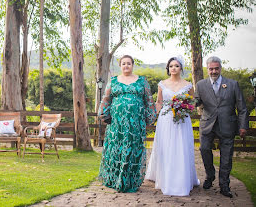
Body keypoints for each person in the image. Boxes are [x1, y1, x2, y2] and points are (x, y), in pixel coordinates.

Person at [98, 55, 157, 193]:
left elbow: (148, 99)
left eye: (128, 63)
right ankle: (114, 179)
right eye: (123, 63)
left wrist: (150, 117)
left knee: (133, 148)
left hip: (135, 122)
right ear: (120, 65)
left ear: (132, 65)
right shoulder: (113, 81)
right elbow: (106, 99)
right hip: (116, 123)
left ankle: (130, 181)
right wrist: (103, 114)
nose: (126, 66)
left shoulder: (142, 81)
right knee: (116, 148)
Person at [145, 56, 200, 196]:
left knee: (181, 147)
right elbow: (159, 102)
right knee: (166, 147)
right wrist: (152, 116)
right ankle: (165, 177)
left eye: (176, 66)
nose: (173, 68)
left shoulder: (188, 85)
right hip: (165, 119)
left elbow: (192, 103)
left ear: (181, 68)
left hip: (182, 120)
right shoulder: (162, 84)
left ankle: (182, 179)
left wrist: (184, 108)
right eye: (171, 66)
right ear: (168, 69)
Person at [195, 56, 248, 198]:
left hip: (227, 125)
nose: (213, 71)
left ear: (220, 68)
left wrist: (243, 126)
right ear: (207, 69)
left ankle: (224, 185)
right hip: (207, 124)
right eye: (211, 69)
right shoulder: (200, 85)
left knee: (226, 156)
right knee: (204, 149)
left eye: (216, 68)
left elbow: (242, 108)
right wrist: (184, 104)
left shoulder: (233, 84)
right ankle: (210, 176)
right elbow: (196, 101)